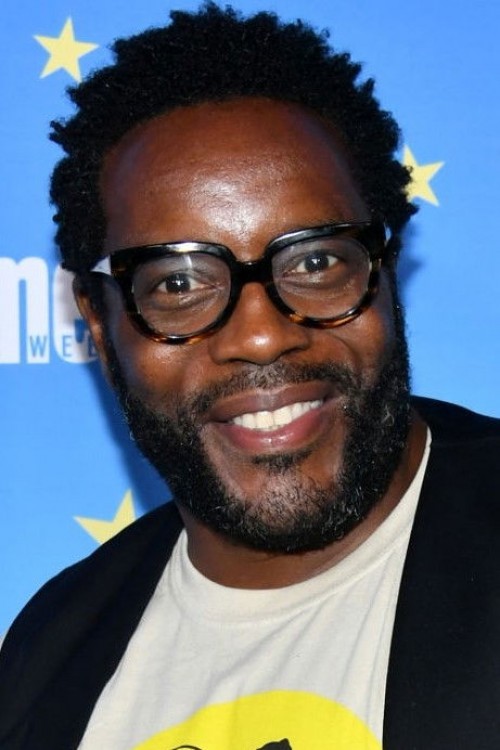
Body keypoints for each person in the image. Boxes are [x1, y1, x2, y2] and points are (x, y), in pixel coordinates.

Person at [1, 3, 499, 748]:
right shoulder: (45, 655)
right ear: (100, 327)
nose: (262, 334)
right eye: (178, 283)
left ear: (385, 271)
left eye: (315, 261)